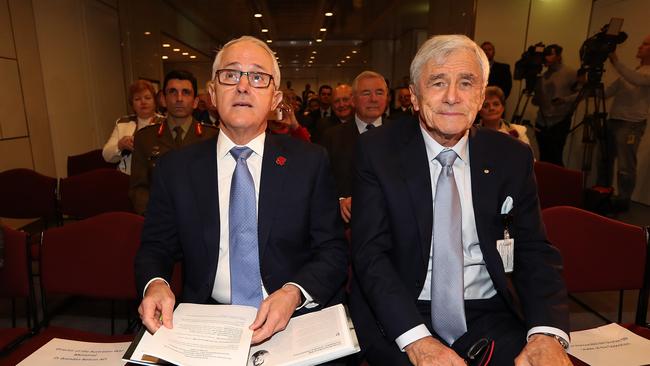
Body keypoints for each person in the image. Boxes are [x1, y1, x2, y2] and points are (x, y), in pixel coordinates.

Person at [349, 34, 571, 366]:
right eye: (438, 82)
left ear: (481, 95)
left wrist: (546, 334)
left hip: (490, 308)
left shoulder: (511, 157)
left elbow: (534, 251)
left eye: (466, 83)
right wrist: (418, 341)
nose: (453, 97)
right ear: (413, 96)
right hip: (404, 310)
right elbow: (370, 256)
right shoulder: (378, 152)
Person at [134, 36, 347, 346]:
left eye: (258, 77)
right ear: (211, 94)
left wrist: (293, 293)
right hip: (206, 319)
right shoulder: (176, 168)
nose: (243, 86)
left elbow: (333, 251)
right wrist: (155, 284)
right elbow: (155, 247)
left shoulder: (309, 162)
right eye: (231, 75)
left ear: (275, 100)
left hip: (291, 319)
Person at [129, 70, 218, 215]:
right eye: (173, 92)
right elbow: (138, 189)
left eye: (186, 92)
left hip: (201, 221)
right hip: (158, 219)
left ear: (195, 102)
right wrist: (157, 215)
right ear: (163, 99)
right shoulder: (145, 138)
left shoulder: (212, 137)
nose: (179, 98)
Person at [323, 71, 388, 224]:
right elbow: (322, 182)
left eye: (379, 93)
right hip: (347, 229)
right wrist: (338, 201)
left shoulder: (402, 136)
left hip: (392, 230)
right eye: (366, 93)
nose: (373, 99)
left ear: (387, 97)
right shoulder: (332, 137)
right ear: (353, 100)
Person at [597, 34, 650, 211]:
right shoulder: (634, 70)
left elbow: (637, 79)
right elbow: (606, 92)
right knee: (605, 160)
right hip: (614, 121)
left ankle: (623, 201)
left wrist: (616, 61)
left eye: (645, 44)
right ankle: (603, 193)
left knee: (625, 166)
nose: (639, 47)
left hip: (631, 125)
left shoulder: (644, 73)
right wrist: (585, 87)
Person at [102, 80, 165, 174]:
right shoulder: (122, 122)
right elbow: (106, 156)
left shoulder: (165, 123)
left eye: (147, 98)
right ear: (132, 104)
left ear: (155, 102)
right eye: (137, 99)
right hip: (126, 178)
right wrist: (120, 146)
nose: (143, 102)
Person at [532, 44, 579, 166]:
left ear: (559, 56)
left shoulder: (570, 73)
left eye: (550, 54)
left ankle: (557, 183)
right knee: (543, 157)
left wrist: (565, 100)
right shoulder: (543, 76)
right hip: (542, 121)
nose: (546, 57)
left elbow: (583, 92)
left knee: (556, 157)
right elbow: (536, 101)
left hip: (559, 121)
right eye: (545, 54)